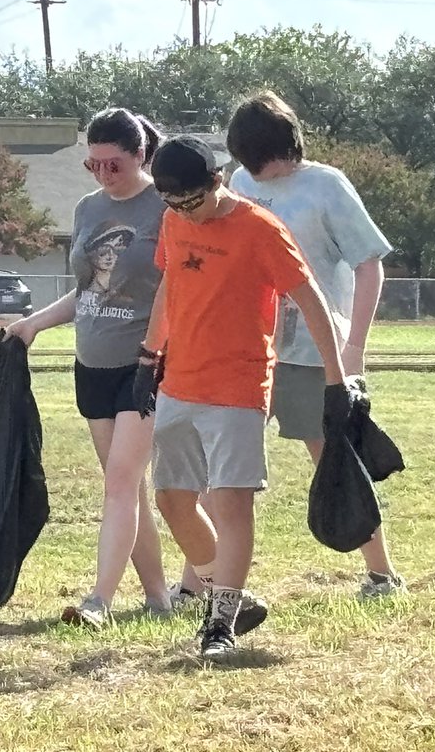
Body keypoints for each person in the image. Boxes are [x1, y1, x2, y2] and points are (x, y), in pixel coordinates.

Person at [141, 134, 351, 658]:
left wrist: (337, 378)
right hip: (179, 382)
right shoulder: (173, 219)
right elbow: (169, 287)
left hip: (238, 385)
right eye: (173, 203)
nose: (186, 213)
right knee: (172, 498)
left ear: (216, 181)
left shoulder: (260, 229)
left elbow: (311, 300)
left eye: (193, 201)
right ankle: (229, 592)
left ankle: (220, 625)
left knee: (231, 501)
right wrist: (149, 355)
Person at [219, 90, 404, 599]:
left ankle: (382, 575)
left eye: (266, 159)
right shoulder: (238, 181)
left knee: (334, 460)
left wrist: (353, 348)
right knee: (225, 459)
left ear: (287, 145)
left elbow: (370, 263)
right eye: (248, 161)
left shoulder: (327, 186)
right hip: (249, 348)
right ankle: (202, 579)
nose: (258, 171)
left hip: (313, 353)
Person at [3, 107, 177, 630]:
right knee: (127, 486)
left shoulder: (165, 208)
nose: (104, 175)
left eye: (114, 165)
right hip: (93, 363)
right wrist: (32, 324)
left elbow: (179, 290)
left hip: (145, 362)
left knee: (121, 482)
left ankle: (98, 600)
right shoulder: (86, 210)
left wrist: (156, 351)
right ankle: (157, 598)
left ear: (141, 154)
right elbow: (88, 292)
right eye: (93, 165)